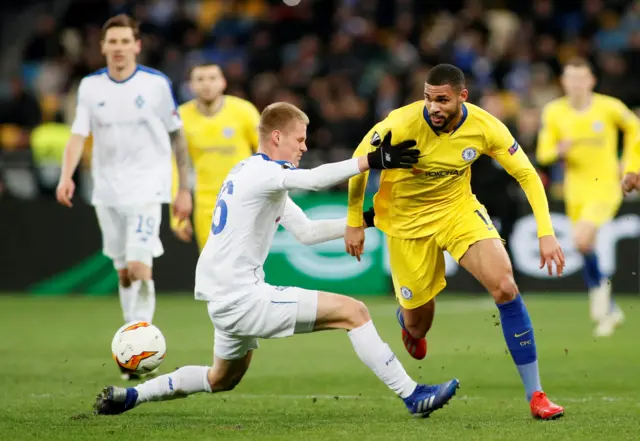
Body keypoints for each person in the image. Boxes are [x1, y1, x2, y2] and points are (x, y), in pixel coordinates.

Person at [94, 102, 460, 418]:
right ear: (277, 138)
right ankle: (413, 395)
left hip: (224, 297)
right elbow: (316, 180)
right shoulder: (265, 173)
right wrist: (370, 161)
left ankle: (131, 397)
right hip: (240, 296)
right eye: (299, 139)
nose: (304, 147)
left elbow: (307, 233)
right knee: (355, 312)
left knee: (221, 379)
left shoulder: (252, 173)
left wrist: (367, 219)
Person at [345, 64, 565, 420]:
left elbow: (526, 173)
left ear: (463, 97)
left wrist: (546, 232)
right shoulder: (399, 124)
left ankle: (536, 394)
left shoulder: (485, 126)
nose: (433, 107)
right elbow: (358, 167)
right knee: (419, 328)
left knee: (506, 287)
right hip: (407, 225)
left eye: (442, 100)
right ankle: (408, 320)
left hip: (457, 211)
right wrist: (355, 221)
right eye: (429, 98)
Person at [55, 14, 192, 375]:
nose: (118, 48)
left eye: (124, 41)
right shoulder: (89, 87)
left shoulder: (156, 84)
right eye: (111, 42)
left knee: (138, 265)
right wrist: (66, 175)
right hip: (107, 190)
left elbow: (178, 137)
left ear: (137, 45)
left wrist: (184, 187)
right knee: (123, 272)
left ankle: (142, 342)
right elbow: (77, 135)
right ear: (102, 47)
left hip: (148, 186)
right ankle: (132, 347)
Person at [537, 57, 639, 337]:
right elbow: (543, 152)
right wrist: (559, 150)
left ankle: (599, 297)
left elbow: (635, 128)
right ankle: (610, 306)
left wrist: (631, 165)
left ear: (591, 81)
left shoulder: (609, 107)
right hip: (575, 190)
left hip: (605, 186)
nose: (576, 84)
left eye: (581, 78)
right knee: (584, 247)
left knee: (582, 238)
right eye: (570, 78)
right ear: (563, 82)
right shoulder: (554, 111)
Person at [171, 63, 260, 251]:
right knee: (212, 267)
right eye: (200, 79)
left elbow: (266, 152)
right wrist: (177, 213)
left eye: (212, 78)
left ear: (223, 82)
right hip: (206, 203)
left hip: (244, 199)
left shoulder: (244, 111)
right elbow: (176, 165)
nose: (206, 84)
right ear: (191, 86)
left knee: (245, 263)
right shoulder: (181, 117)